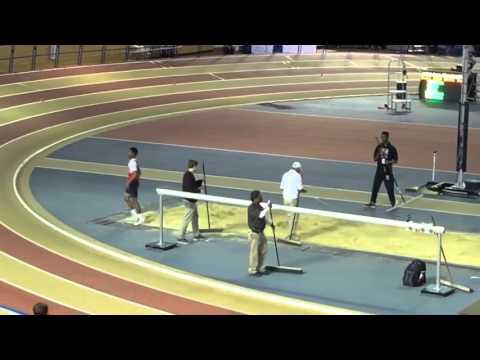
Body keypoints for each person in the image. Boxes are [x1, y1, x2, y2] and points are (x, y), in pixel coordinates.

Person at [365, 131, 398, 209]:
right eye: (381, 137)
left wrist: (388, 161)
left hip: (387, 171)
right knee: (375, 187)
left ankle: (393, 203)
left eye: (383, 137)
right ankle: (372, 202)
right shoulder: (378, 147)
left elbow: (395, 160)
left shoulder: (392, 148)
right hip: (379, 171)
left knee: (389, 187)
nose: (382, 138)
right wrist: (379, 153)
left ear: (387, 137)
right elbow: (375, 159)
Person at [179, 160, 206, 242]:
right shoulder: (188, 175)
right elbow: (189, 189)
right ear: (194, 166)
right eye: (196, 166)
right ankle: (181, 236)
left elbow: (193, 184)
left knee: (195, 217)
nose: (196, 168)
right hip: (189, 201)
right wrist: (199, 191)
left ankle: (196, 233)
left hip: (192, 201)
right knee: (187, 218)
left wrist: (201, 181)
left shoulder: (190, 175)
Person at [247, 190, 274, 276]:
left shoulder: (259, 206)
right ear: (256, 198)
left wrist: (270, 224)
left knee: (263, 250)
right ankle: (252, 269)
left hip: (261, 232)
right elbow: (260, 215)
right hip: (254, 233)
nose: (262, 197)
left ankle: (260, 267)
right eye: (260, 196)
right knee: (254, 252)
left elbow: (263, 218)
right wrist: (268, 207)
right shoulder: (251, 208)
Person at [280, 161, 306, 241]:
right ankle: (290, 235)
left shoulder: (285, 174)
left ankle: (291, 233)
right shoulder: (298, 176)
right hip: (293, 199)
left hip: (285, 198)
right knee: (294, 217)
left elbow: (282, 187)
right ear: (298, 169)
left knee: (289, 216)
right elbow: (300, 188)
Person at [124, 147, 144, 226]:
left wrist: (129, 181)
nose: (128, 153)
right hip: (133, 182)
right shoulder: (133, 161)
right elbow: (139, 172)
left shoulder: (132, 162)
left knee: (134, 200)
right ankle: (134, 215)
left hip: (132, 183)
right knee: (126, 198)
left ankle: (141, 218)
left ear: (133, 154)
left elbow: (135, 173)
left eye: (129, 152)